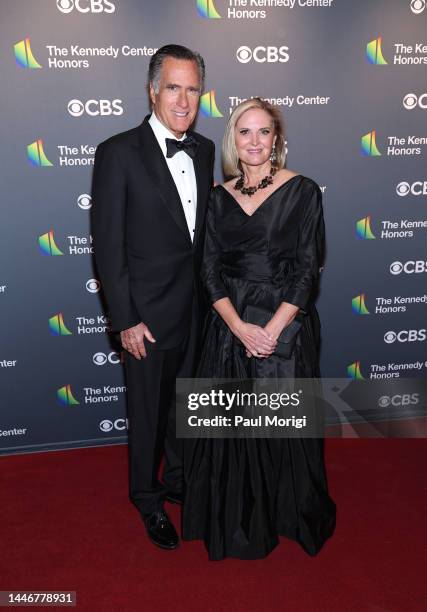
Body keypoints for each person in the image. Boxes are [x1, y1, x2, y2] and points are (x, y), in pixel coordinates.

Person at [183, 98, 336, 560]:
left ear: (277, 139)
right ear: (234, 139)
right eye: (244, 132)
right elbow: (208, 270)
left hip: (283, 325)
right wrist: (239, 328)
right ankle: (239, 518)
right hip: (228, 326)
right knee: (233, 430)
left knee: (282, 428)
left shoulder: (303, 191)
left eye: (263, 132)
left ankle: (288, 513)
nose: (254, 142)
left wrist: (268, 331)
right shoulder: (217, 197)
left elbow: (308, 271)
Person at [91, 45, 215, 550]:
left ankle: (182, 482)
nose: (183, 100)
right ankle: (146, 497)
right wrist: (125, 320)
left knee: (185, 410)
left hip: (198, 313)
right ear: (152, 90)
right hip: (145, 317)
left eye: (192, 89)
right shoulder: (117, 152)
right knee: (146, 414)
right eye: (173, 87)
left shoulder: (205, 150)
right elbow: (108, 244)